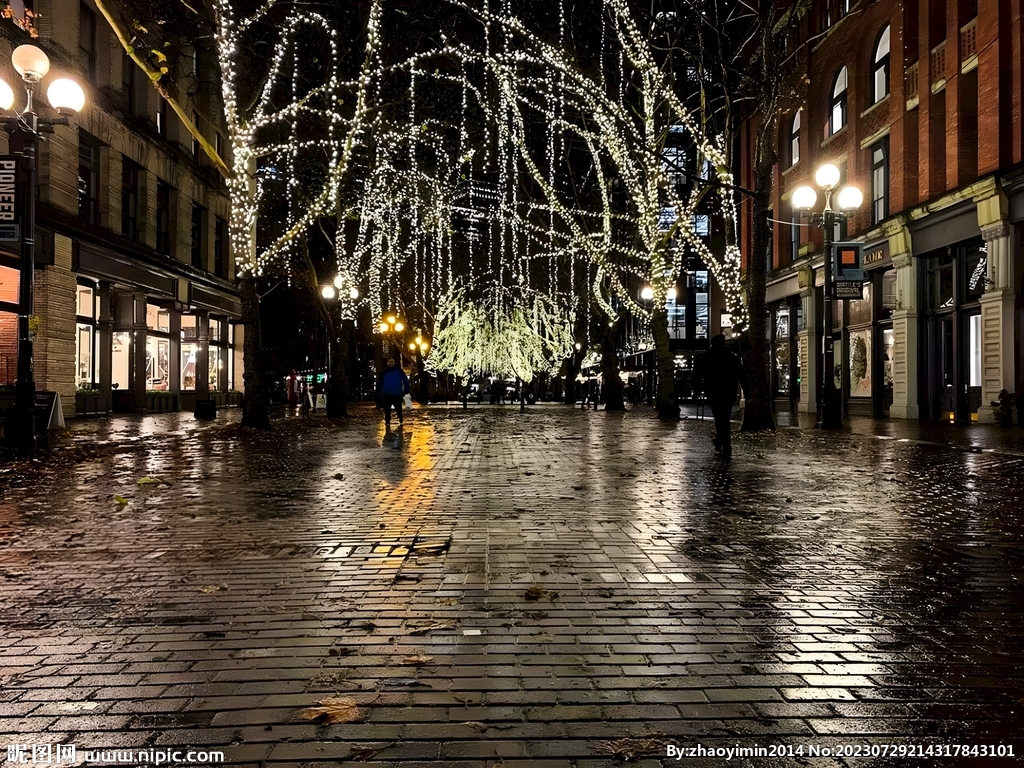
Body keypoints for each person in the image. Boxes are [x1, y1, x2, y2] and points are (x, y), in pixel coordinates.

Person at [694, 334, 748, 460]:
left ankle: (721, 440)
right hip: (728, 391)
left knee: (719, 416)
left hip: (713, 391)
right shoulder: (731, 358)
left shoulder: (707, 357)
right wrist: (748, 392)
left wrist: (696, 391)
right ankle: (725, 444)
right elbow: (742, 376)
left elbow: (696, 375)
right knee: (725, 416)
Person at [377, 357, 410, 429]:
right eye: (390, 362)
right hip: (387, 393)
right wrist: (379, 391)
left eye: (392, 362)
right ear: (387, 363)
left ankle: (400, 419)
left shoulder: (399, 371)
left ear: (394, 362)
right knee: (387, 409)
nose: (391, 363)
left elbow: (405, 381)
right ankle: (388, 421)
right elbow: (380, 383)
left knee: (398, 408)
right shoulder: (384, 372)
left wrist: (406, 390)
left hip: (397, 393)